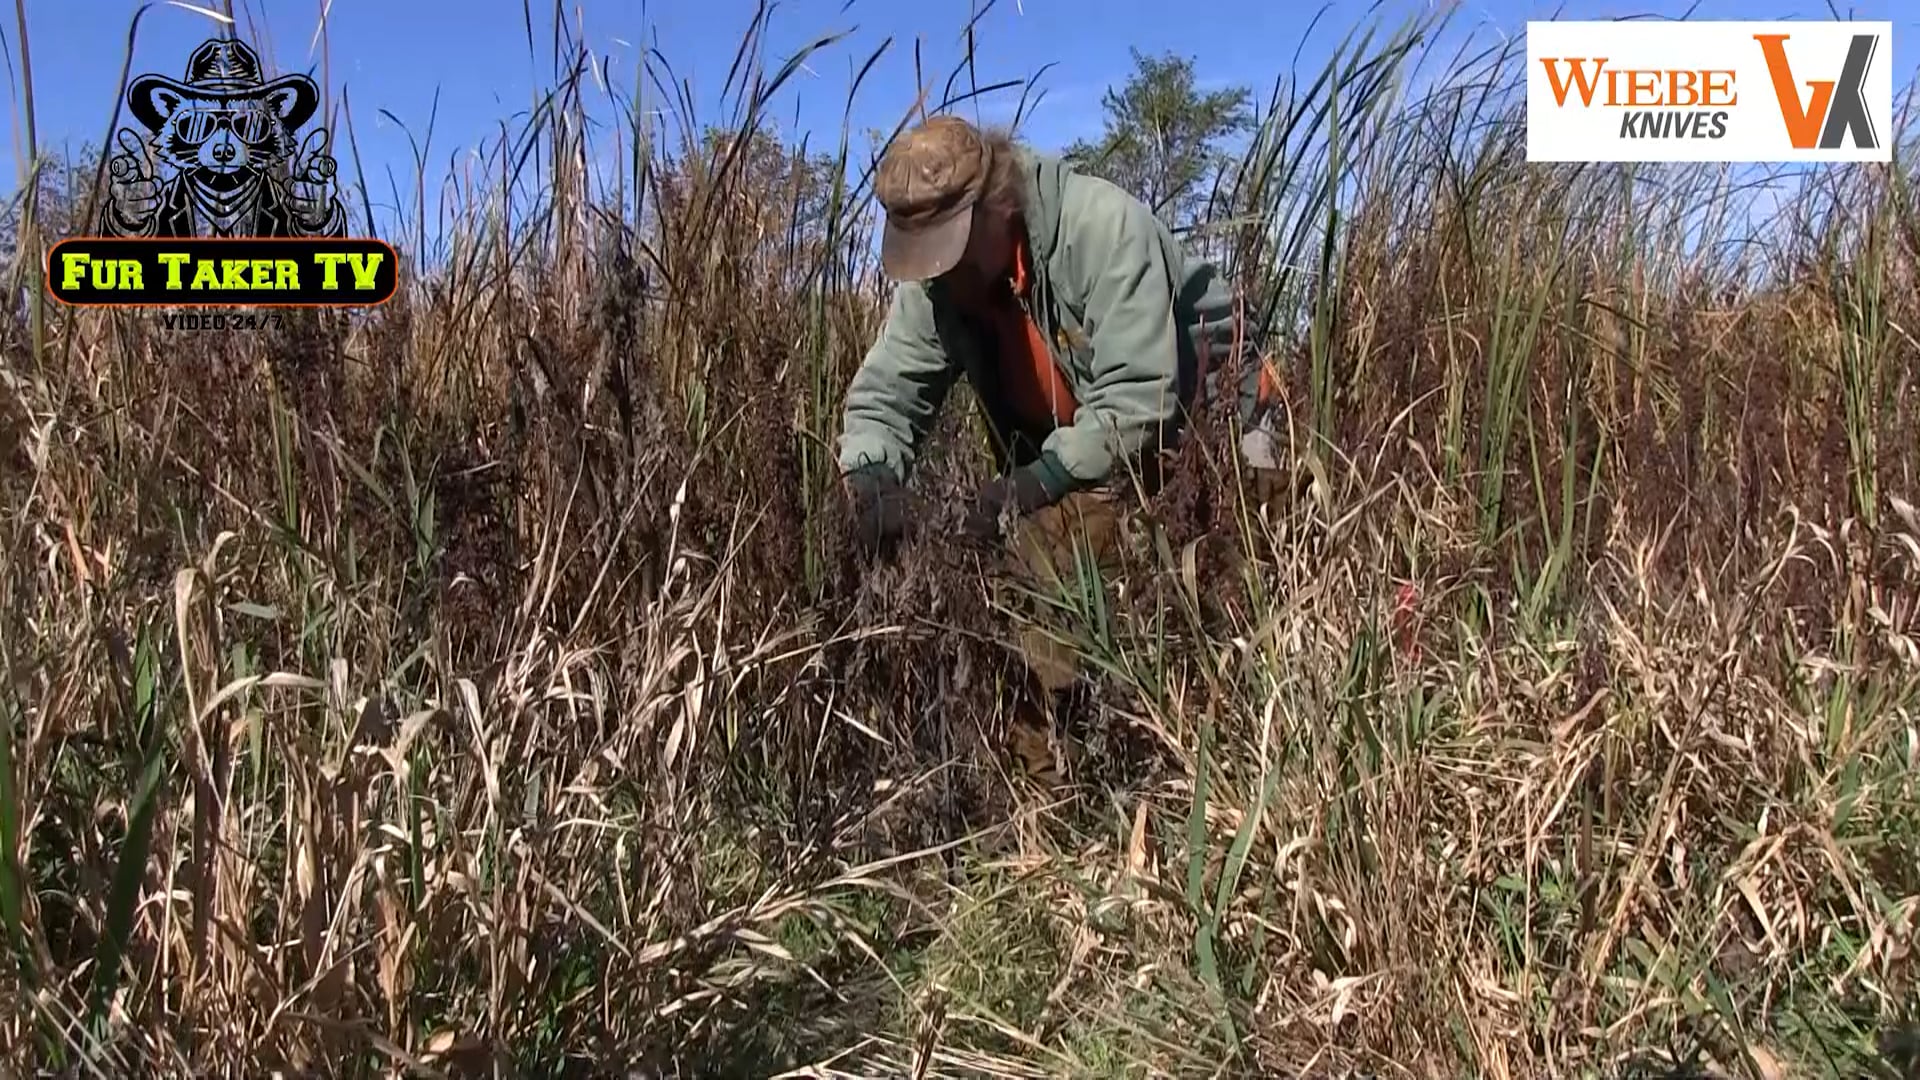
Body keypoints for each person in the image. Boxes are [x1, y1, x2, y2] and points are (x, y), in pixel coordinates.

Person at [835, 114, 1282, 777]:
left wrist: (1028, 486)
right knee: (1025, 570)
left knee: (1227, 597)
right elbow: (887, 395)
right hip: (1086, 446)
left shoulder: (1100, 229)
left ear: (998, 204)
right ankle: (1048, 762)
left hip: (1212, 425)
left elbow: (1140, 403)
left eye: (952, 249)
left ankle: (1182, 755)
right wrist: (871, 480)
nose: (943, 273)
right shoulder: (943, 289)